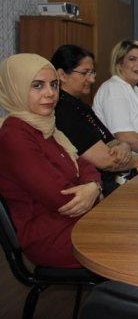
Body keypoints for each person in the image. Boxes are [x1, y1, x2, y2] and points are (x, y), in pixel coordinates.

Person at [0, 53, 102, 268]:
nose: (50, 93)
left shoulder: (46, 125)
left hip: (73, 220)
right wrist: (92, 191)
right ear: (16, 88)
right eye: (37, 85)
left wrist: (93, 186)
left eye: (54, 85)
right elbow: (63, 199)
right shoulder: (14, 135)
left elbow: (84, 164)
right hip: (50, 236)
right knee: (135, 238)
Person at [51, 45, 138, 196]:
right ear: (62, 74)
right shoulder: (63, 110)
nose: (92, 79)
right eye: (85, 73)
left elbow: (112, 140)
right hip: (96, 187)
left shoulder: (79, 105)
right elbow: (106, 161)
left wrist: (124, 146)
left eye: (92, 72)